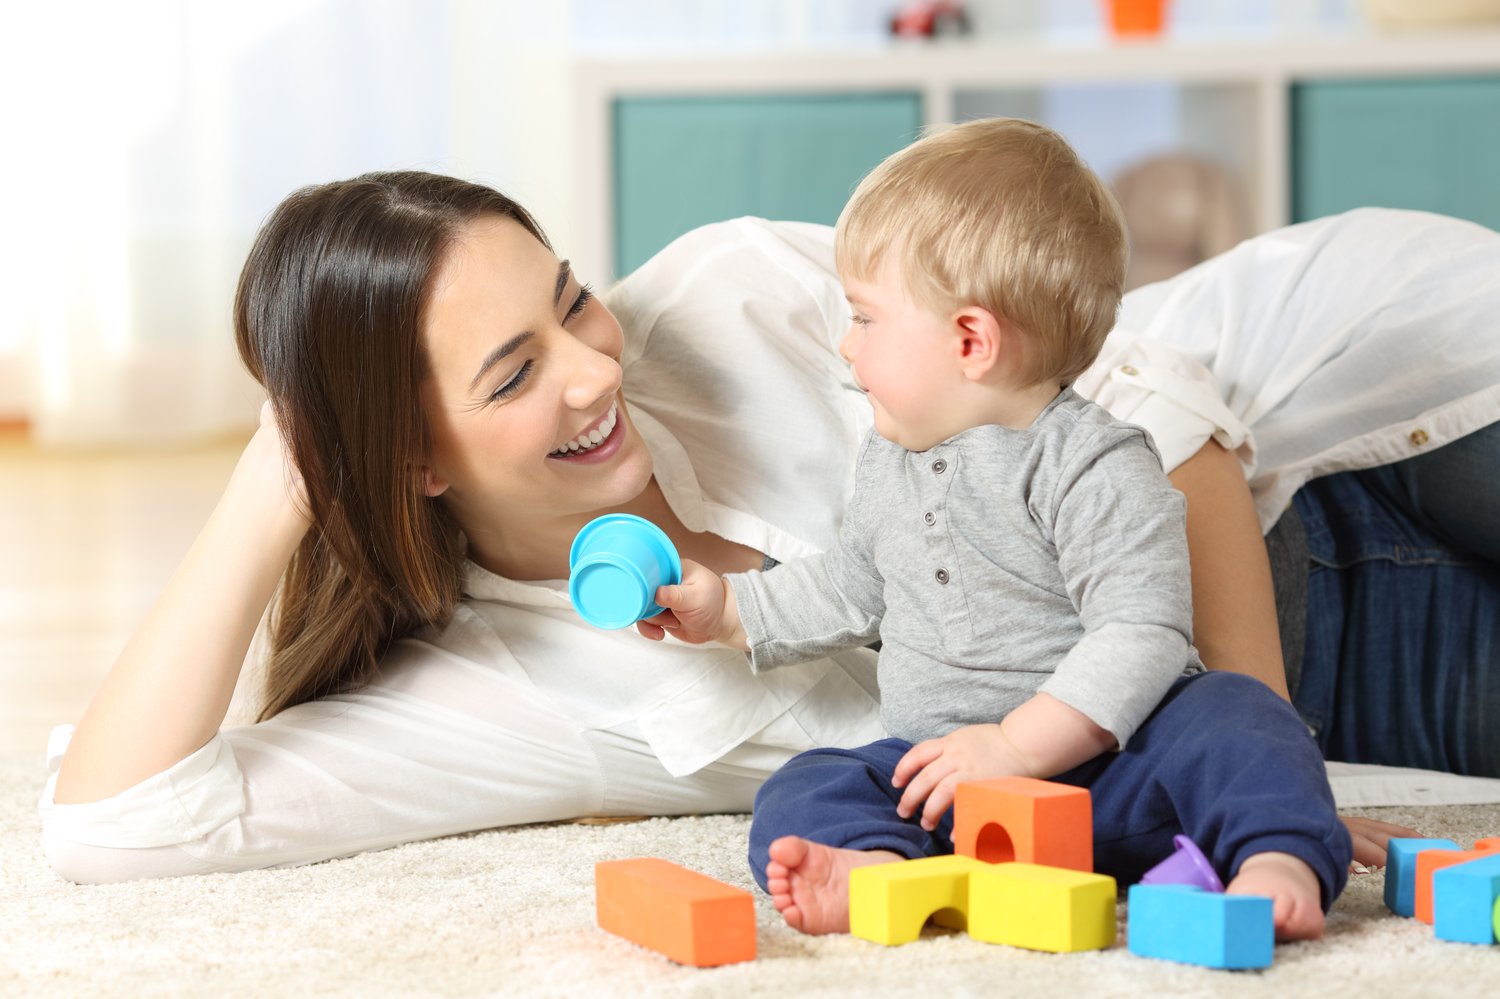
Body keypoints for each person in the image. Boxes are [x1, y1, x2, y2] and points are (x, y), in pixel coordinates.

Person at [39, 160, 1491, 886]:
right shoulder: (497, 688)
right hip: (1364, 677)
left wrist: (1264, 757)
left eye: (568, 299)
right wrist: (277, 476)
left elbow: (1160, 413)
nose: (597, 368)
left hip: (1346, 429)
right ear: (410, 460)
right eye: (514, 371)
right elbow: (114, 825)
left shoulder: (732, 293)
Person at [643, 117, 1350, 941]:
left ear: (971, 340)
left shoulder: (1095, 462)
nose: (846, 344)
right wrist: (727, 610)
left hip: (1119, 772)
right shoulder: (888, 460)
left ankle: (1276, 858)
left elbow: (1143, 631)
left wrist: (1018, 745)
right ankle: (883, 868)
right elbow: (848, 586)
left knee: (1236, 714)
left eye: (866, 319)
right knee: (809, 785)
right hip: (950, 783)